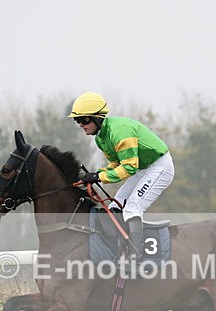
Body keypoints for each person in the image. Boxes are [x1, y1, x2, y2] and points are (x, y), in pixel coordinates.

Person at [69, 91, 174, 267]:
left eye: (85, 119)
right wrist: (96, 176)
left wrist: (99, 177)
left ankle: (135, 256)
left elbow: (129, 168)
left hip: (160, 167)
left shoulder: (120, 132)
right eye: (77, 120)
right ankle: (120, 249)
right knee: (114, 206)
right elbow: (117, 165)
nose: (81, 124)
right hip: (143, 169)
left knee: (133, 207)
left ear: (98, 118)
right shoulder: (101, 139)